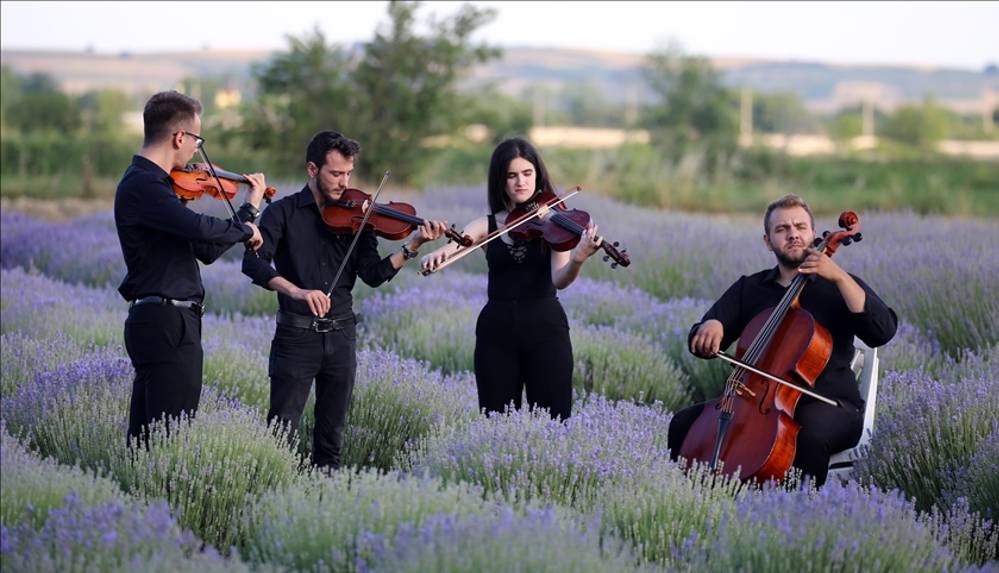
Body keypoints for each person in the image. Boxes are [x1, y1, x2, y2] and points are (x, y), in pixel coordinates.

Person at [242, 129, 448, 471]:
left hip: (341, 337)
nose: (344, 182)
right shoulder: (282, 213)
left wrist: (411, 246)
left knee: (331, 438)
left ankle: (323, 501)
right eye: (336, 173)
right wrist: (297, 291)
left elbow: (372, 274)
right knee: (281, 433)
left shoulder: (360, 218)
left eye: (348, 174)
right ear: (312, 169)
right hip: (296, 336)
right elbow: (253, 263)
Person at [667, 194, 897, 487]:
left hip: (831, 405)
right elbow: (700, 338)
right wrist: (709, 326)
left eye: (800, 227)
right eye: (782, 229)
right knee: (684, 423)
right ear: (768, 241)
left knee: (809, 435)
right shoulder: (750, 288)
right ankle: (688, 500)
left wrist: (839, 277)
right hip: (753, 401)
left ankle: (799, 517)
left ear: (813, 234)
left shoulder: (839, 285)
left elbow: (882, 331)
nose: (793, 234)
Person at [115, 90, 265, 446]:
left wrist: (248, 210)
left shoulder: (157, 186)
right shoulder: (145, 185)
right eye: (197, 140)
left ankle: (141, 503)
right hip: (167, 324)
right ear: (179, 137)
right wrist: (245, 229)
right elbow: (198, 228)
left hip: (165, 322)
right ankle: (160, 502)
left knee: (147, 443)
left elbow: (204, 250)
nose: (198, 151)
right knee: (169, 441)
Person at [421, 137, 603, 421]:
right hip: (496, 334)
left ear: (537, 175)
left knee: (554, 423)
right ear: (501, 181)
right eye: (512, 175)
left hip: (546, 332)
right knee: (496, 424)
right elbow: (461, 241)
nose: (521, 182)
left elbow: (560, 279)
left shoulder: (554, 222)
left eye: (527, 173)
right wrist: (438, 254)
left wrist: (578, 258)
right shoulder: (488, 224)